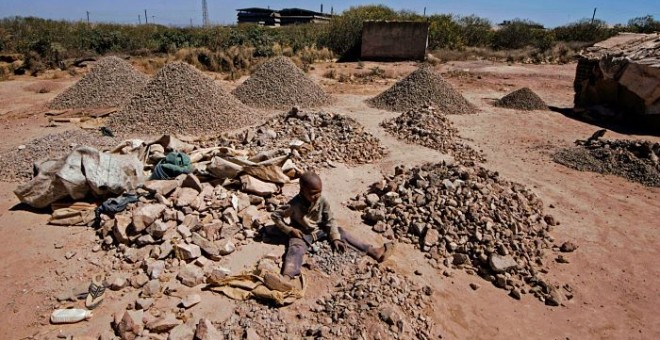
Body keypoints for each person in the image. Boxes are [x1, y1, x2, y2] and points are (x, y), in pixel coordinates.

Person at [271, 171, 395, 280]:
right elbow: (275, 216)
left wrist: (335, 237)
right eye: (313, 193)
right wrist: (289, 230)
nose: (316, 196)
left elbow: (330, 220)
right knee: (295, 249)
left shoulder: (322, 201)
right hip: (302, 233)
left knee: (341, 232)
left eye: (319, 192)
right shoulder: (294, 204)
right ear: (302, 190)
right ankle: (286, 277)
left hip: (320, 230)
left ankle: (373, 251)